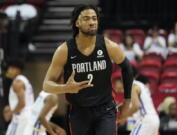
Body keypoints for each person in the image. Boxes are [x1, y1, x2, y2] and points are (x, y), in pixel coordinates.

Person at [43, 4, 134, 135]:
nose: (91, 22)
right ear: (77, 23)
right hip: (79, 111)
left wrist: (127, 100)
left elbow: (127, 68)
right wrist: (66, 88)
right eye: (86, 19)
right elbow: (46, 85)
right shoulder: (64, 50)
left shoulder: (108, 45)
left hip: (105, 109)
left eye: (94, 18)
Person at [5, 59, 34, 135]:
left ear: (18, 70)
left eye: (11, 68)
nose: (8, 71)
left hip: (21, 118)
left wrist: (10, 113)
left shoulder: (17, 83)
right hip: (28, 116)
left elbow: (22, 103)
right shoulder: (24, 80)